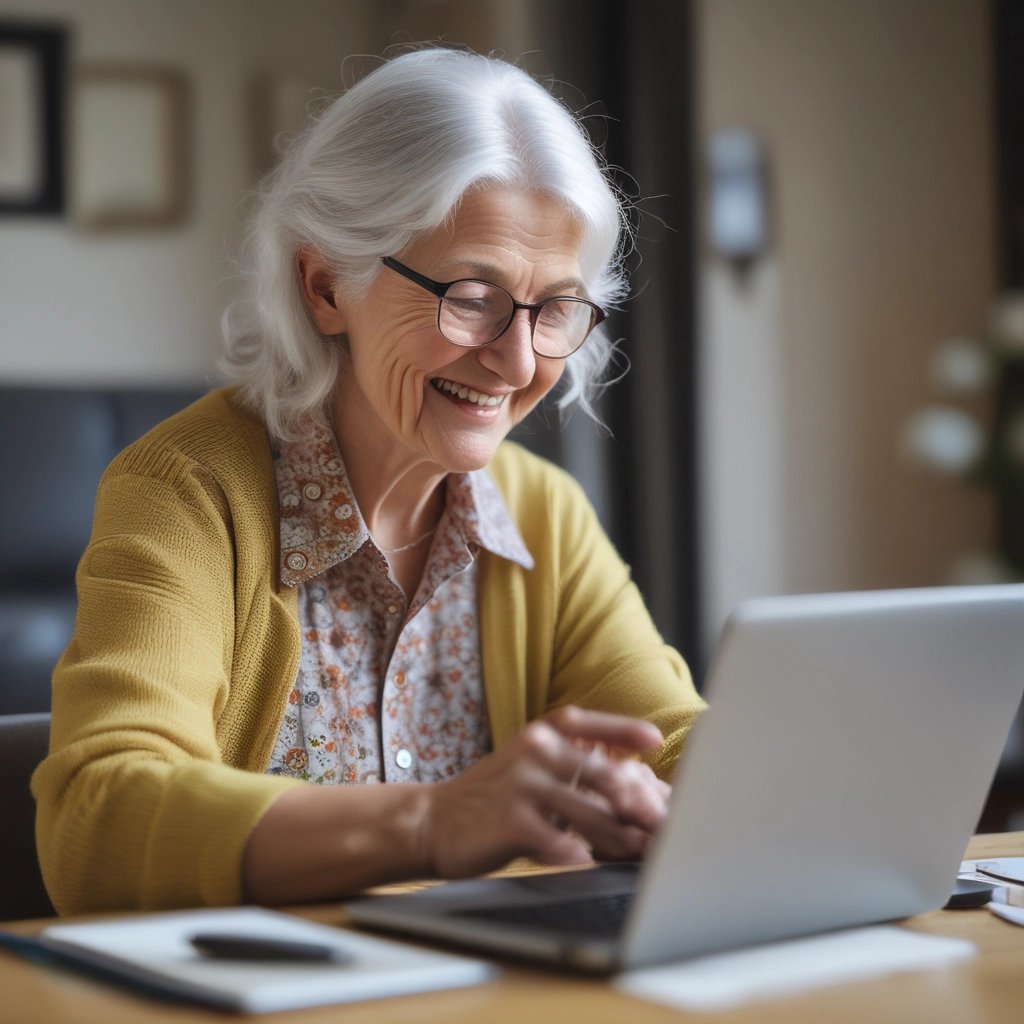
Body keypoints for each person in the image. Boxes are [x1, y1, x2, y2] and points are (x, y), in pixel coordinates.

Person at [32, 47, 705, 915]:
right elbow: (98, 816)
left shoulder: (545, 514)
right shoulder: (189, 493)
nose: (516, 356)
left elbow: (672, 739)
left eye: (556, 308)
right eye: (471, 295)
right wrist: (430, 824)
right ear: (325, 287)